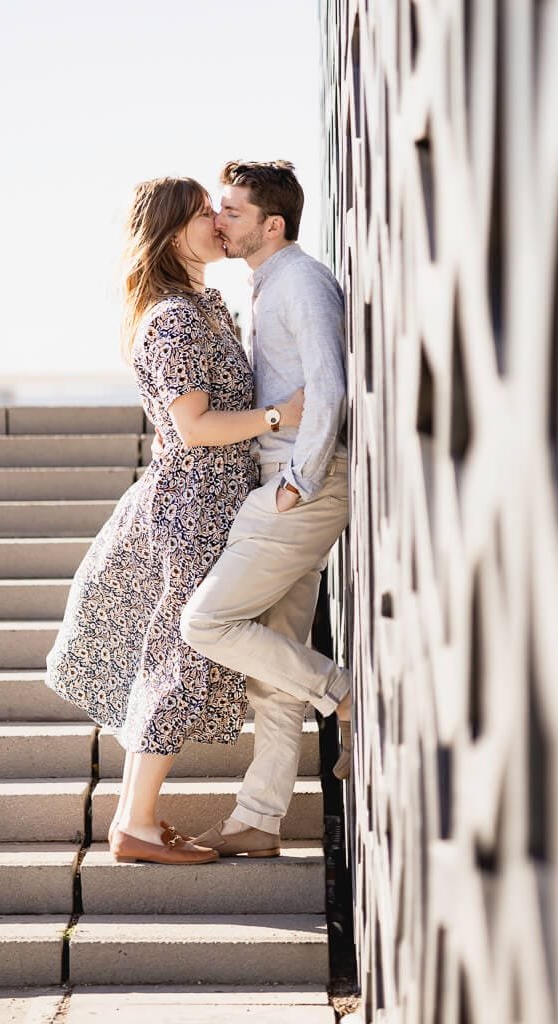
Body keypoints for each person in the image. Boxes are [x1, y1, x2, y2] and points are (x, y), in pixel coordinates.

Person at [44, 175, 304, 865]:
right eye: (200, 216)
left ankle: (139, 821)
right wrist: (283, 418)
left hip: (211, 504)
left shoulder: (201, 306)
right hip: (195, 512)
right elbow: (192, 427)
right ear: (170, 234)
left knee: (174, 660)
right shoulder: (177, 317)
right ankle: (137, 823)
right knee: (178, 663)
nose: (218, 222)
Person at [180, 159, 353, 860]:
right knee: (270, 674)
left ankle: (344, 693)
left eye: (232, 211)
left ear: (270, 224)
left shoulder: (302, 281)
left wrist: (299, 484)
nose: (219, 221)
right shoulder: (267, 285)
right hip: (286, 480)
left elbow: (331, 388)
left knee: (206, 620)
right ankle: (258, 820)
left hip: (299, 486)